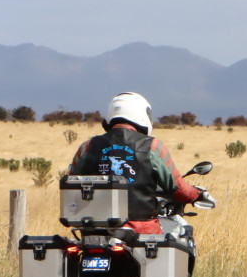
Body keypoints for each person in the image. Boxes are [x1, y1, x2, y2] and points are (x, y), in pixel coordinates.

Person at [67, 92, 207, 235]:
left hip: (94, 230)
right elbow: (177, 187)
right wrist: (197, 194)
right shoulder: (152, 146)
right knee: (178, 243)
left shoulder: (88, 146)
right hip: (141, 230)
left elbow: (71, 185)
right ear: (142, 114)